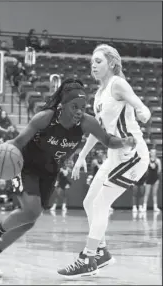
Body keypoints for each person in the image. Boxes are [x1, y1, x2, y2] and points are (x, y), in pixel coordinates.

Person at [0, 78, 135, 277]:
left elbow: (108, 140)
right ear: (63, 105)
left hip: (49, 172)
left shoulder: (87, 122)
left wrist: (124, 141)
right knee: (31, 210)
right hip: (26, 166)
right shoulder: (45, 118)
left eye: (82, 107)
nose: (79, 111)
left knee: (30, 220)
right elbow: (18, 142)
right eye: (74, 106)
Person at [58, 45, 151, 278]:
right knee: (89, 202)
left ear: (111, 63)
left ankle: (88, 258)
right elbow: (96, 132)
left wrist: (143, 110)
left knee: (100, 204)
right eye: (92, 61)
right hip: (114, 157)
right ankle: (102, 252)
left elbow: (138, 103)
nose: (93, 65)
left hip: (132, 155)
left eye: (98, 61)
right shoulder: (99, 94)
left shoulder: (117, 84)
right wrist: (80, 158)